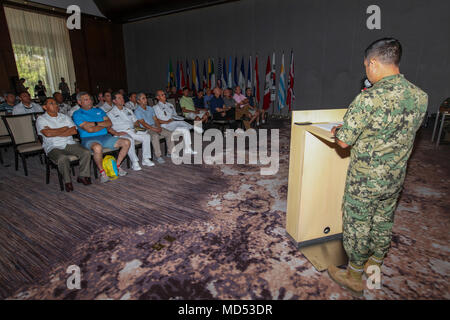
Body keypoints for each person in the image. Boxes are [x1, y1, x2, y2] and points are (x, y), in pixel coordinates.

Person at [327, 38, 428, 296]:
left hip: (365, 180)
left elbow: (343, 142)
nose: (366, 71)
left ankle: (354, 275)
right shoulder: (420, 96)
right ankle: (376, 261)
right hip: (395, 177)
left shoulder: (368, 99)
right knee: (383, 219)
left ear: (373, 62)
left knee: (358, 223)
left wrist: (339, 130)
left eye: (366, 66)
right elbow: (400, 133)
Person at [72, 92, 131, 183]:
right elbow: (89, 130)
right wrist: (102, 125)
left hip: (105, 137)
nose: (90, 101)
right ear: (79, 102)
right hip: (89, 139)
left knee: (126, 142)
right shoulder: (77, 114)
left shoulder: (99, 110)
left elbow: (110, 123)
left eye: (90, 99)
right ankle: (102, 172)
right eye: (86, 100)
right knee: (97, 148)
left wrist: (94, 124)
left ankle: (117, 166)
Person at [36, 98, 91, 192]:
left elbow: (73, 131)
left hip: (68, 143)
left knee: (86, 152)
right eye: (51, 103)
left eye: (56, 103)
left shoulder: (64, 116)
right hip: (53, 146)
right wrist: (65, 128)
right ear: (45, 107)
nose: (55, 105)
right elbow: (47, 134)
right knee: (63, 158)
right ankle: (67, 181)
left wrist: (53, 131)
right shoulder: (41, 119)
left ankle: (83, 176)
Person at [107, 92, 155, 170]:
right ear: (114, 101)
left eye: (122, 97)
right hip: (121, 133)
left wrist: (137, 127)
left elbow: (135, 121)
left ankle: (145, 159)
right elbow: (108, 127)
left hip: (132, 130)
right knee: (129, 139)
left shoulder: (128, 110)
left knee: (147, 136)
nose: (122, 99)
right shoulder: (110, 113)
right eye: (119, 98)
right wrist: (116, 133)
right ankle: (134, 162)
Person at [153, 89, 202, 155]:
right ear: (158, 97)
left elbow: (175, 115)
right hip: (165, 126)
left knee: (185, 130)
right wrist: (166, 122)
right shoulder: (155, 107)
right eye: (162, 95)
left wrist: (178, 118)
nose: (164, 95)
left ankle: (188, 149)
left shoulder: (170, 105)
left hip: (173, 123)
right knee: (180, 123)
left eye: (164, 94)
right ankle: (193, 127)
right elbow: (156, 120)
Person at [134, 92, 174, 163]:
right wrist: (154, 129)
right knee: (155, 136)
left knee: (169, 133)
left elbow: (155, 119)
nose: (146, 100)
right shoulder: (137, 111)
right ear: (138, 101)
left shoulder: (150, 108)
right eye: (143, 98)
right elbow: (143, 123)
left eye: (145, 98)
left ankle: (170, 152)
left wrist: (159, 127)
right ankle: (158, 156)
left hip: (154, 126)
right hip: (146, 129)